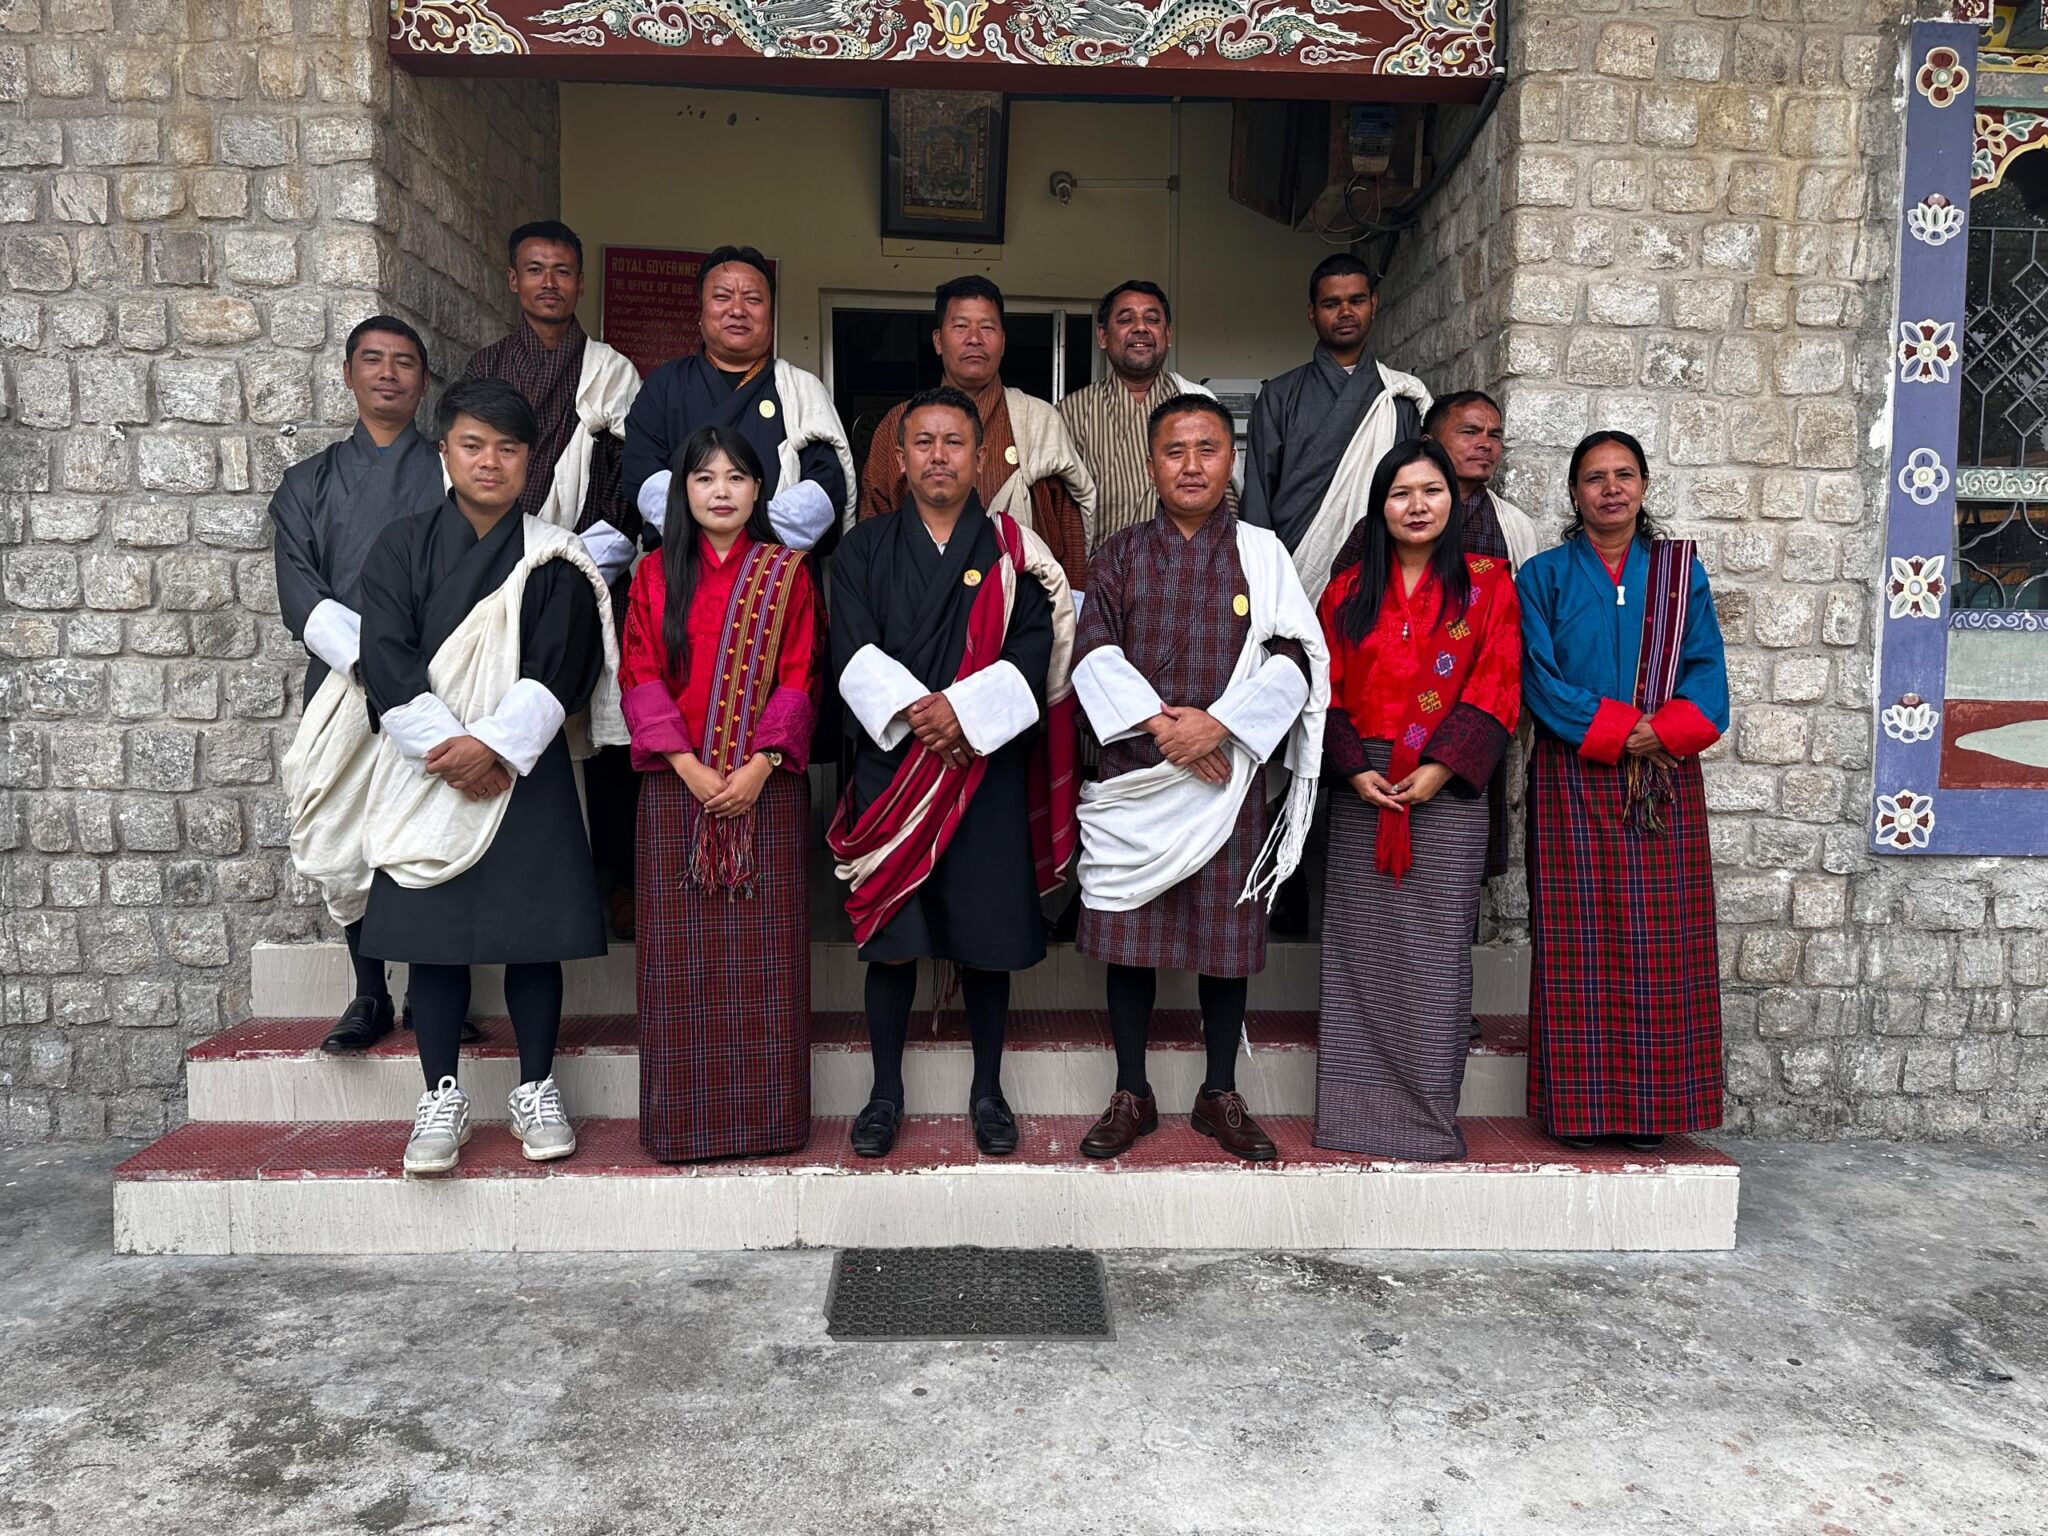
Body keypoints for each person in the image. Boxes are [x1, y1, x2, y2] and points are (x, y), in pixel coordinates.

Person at [354, 378, 627, 1176]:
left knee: (530, 940)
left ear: (529, 462)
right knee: (434, 946)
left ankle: (536, 1086)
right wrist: (450, 748)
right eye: (474, 445)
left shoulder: (555, 556)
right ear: (445, 451)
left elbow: (560, 665)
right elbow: (387, 661)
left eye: (509, 449)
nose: (491, 462)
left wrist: (497, 750)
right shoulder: (400, 548)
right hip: (427, 767)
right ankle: (440, 1097)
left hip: (521, 771)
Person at [1070, 395, 1326, 1162]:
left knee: (1226, 937)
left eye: (1207, 448)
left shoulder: (1262, 553)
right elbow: (1092, 655)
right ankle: (1131, 1090)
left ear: (1230, 461)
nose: (1191, 464)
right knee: (1129, 936)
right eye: (1175, 449)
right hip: (1139, 778)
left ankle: (1219, 1091)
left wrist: (1222, 726)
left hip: (1228, 778)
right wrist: (1167, 731)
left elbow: (1296, 656)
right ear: (1151, 464)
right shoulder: (1116, 553)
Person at [829, 386, 1079, 1159]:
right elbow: (852, 650)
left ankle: (988, 1090)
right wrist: (919, 714)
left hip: (981, 767)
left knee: (986, 939)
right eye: (924, 443)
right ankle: (883, 1094)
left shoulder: (1013, 549)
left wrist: (962, 715)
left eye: (954, 443)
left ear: (982, 459)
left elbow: (1031, 652)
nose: (939, 456)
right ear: (899, 460)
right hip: (894, 766)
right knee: (893, 937)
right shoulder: (863, 549)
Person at [1519, 430, 1729, 1152]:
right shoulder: (1542, 577)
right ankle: (1579, 1112)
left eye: (1624, 475)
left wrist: (1662, 731)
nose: (1610, 489)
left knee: (1660, 949)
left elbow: (1706, 672)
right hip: (1573, 775)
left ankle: (1651, 1113)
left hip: (1661, 777)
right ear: (1573, 494)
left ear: (1643, 485)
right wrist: (1612, 727)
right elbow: (1538, 678)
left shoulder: (1679, 575)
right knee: (1579, 948)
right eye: (1594, 478)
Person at [1313, 439, 1522, 1160]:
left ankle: (1427, 1121)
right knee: (1357, 957)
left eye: (1431, 491)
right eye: (1401, 493)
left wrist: (1439, 769)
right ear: (1380, 506)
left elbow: (1498, 682)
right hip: (1362, 788)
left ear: (1452, 500)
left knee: (1435, 957)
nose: (1417, 506)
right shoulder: (1345, 592)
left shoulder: (1490, 584)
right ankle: (1351, 1119)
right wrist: (1350, 770)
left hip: (1447, 791)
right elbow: (1324, 691)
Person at [619, 426, 822, 1161]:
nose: (722, 491)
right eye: (704, 478)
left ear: (760, 489)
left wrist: (761, 765)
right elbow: (639, 674)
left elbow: (801, 676)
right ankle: (680, 1128)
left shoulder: (788, 574)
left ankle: (770, 1124)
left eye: (737, 477)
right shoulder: (651, 575)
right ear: (684, 491)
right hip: (679, 791)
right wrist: (692, 769)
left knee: (765, 968)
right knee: (679, 973)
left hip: (763, 789)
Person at [465, 219, 645, 939]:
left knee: (601, 730)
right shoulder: (486, 366)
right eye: (535, 270)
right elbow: (473, 467)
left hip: (591, 566)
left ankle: (615, 883)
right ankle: (512, 880)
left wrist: (584, 555)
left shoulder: (610, 370)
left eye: (564, 271)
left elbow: (630, 472)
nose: (550, 283)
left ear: (580, 281)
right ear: (513, 280)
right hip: (497, 570)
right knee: (502, 713)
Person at [273, 315, 444, 1055]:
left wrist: (410, 665)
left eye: (404, 363)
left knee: (428, 830)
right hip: (343, 681)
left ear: (423, 382)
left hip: (436, 672)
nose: (388, 374)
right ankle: (370, 992)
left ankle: (438, 989)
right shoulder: (305, 484)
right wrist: (373, 661)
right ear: (347, 374)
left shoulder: (448, 470)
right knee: (346, 832)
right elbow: (301, 595)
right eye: (372, 360)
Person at [856, 276, 1095, 591]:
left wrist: (1072, 606)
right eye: (960, 327)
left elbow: (1070, 531)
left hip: (1026, 607)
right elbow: (873, 523)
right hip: (917, 603)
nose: (974, 339)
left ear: (1003, 341)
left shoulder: (1039, 421)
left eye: (987, 327)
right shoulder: (900, 423)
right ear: (939, 341)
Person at [623, 245, 855, 555]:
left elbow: (826, 486)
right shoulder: (664, 385)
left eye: (753, 299)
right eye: (722, 297)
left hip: (774, 571)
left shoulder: (801, 389)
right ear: (700, 314)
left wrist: (748, 537)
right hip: (681, 567)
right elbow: (642, 472)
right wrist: (709, 534)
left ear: (770, 316)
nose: (737, 309)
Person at [1242, 253, 1433, 603]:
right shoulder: (1279, 395)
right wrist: (1260, 575)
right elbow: (1257, 494)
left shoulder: (1398, 396)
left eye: (1356, 300)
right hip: (1293, 565)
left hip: (1378, 566)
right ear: (1312, 312)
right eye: (1331, 303)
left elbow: (1412, 491)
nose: (1345, 312)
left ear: (1373, 305)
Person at [1056, 279, 1233, 551]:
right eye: (1126, 319)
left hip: (1191, 570)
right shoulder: (1071, 412)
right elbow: (1058, 510)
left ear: (1168, 335)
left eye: (1152, 319)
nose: (1140, 328)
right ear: (1102, 336)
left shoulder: (1200, 405)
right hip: (1104, 577)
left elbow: (1225, 492)